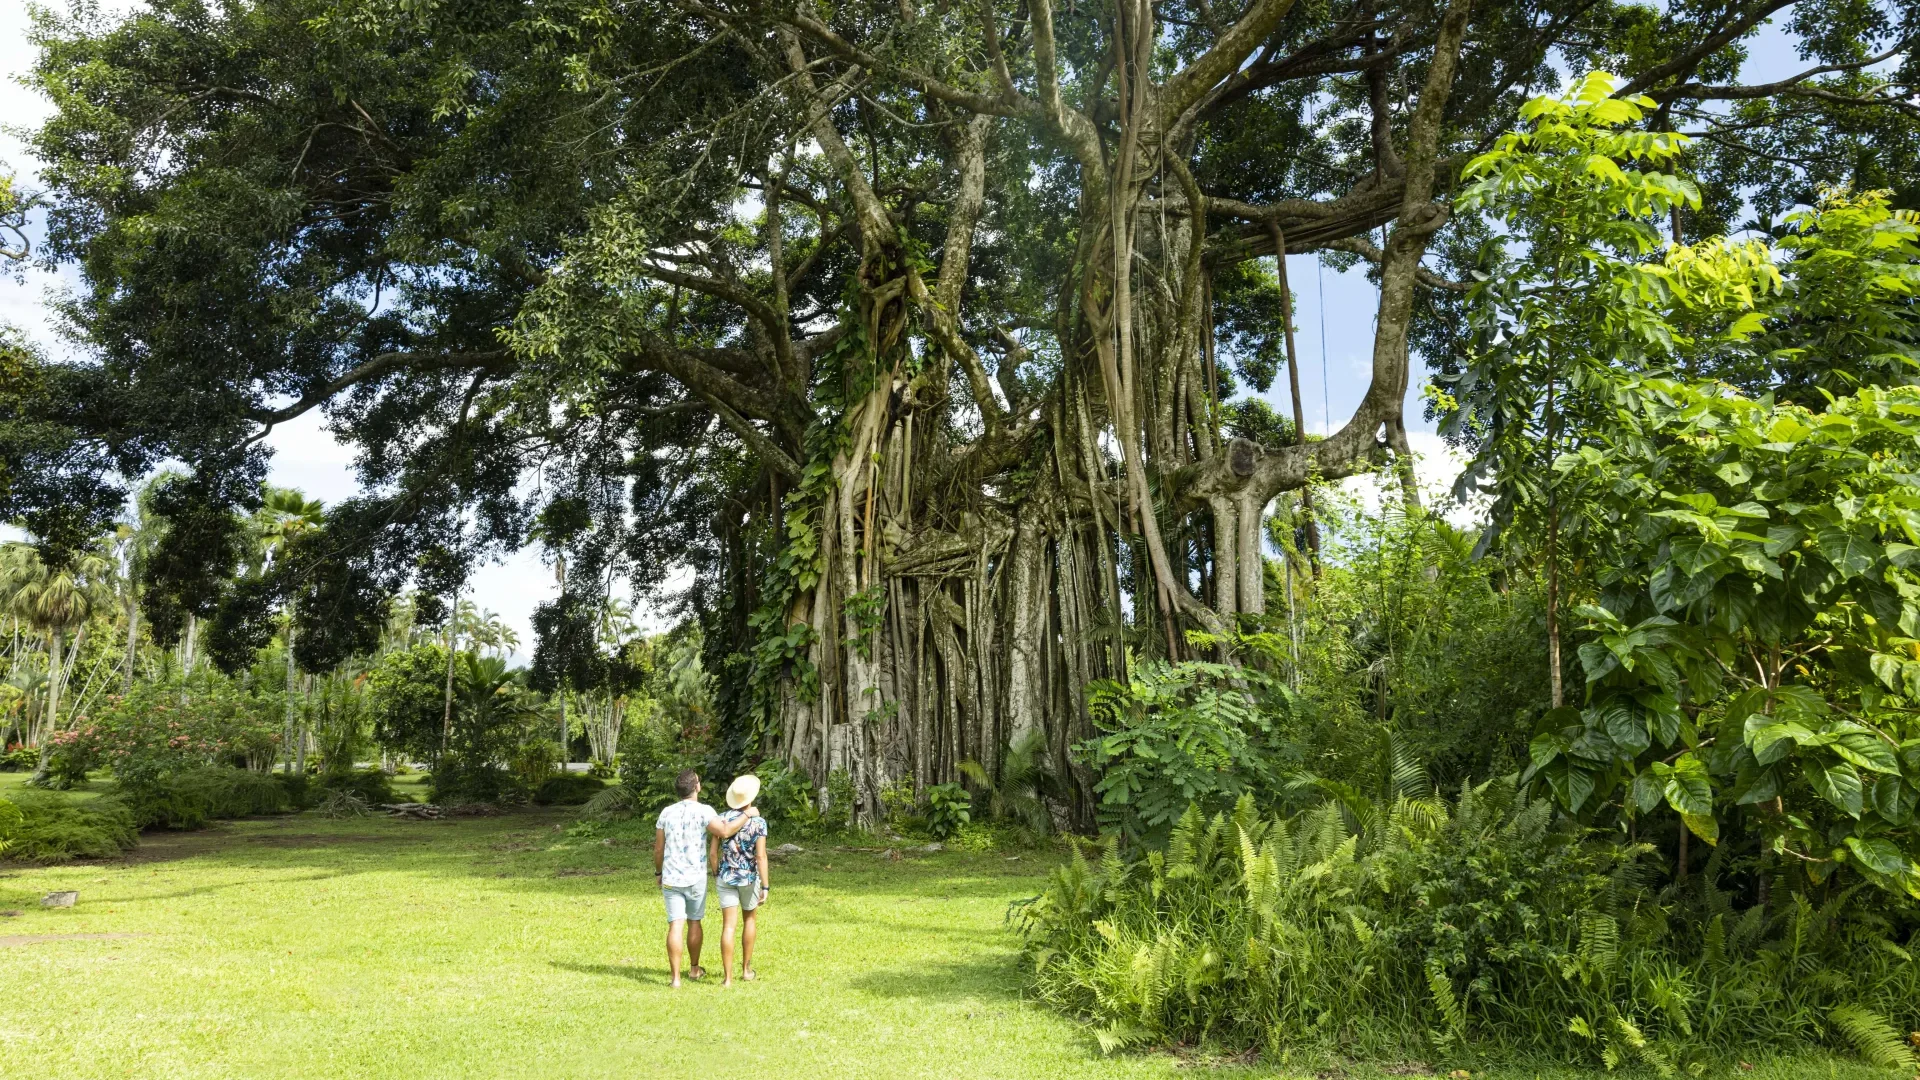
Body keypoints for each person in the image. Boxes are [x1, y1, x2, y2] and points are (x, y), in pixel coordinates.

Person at [653, 769, 757, 988]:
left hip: (671, 877)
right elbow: (725, 831)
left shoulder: (666, 813)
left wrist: (659, 872)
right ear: (696, 787)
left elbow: (659, 849)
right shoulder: (704, 811)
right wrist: (747, 814)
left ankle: (675, 979)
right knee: (694, 921)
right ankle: (693, 968)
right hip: (695, 877)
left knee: (675, 925)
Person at [710, 773, 770, 987]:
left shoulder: (722, 818)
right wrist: (765, 885)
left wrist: (717, 873)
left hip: (726, 876)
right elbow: (761, 856)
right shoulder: (758, 822)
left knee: (728, 927)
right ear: (751, 798)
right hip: (748, 878)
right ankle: (745, 970)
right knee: (750, 920)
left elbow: (713, 854)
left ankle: (727, 979)